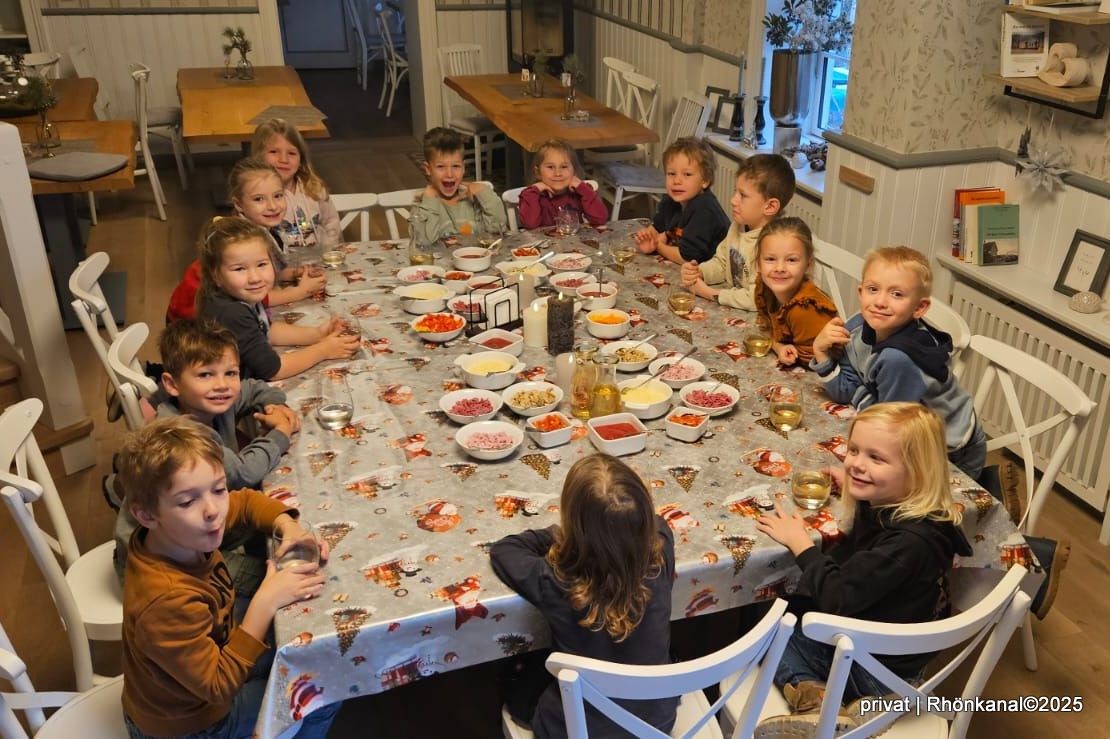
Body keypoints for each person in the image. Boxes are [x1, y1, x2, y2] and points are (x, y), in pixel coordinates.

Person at [755, 403, 973, 736]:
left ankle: (818, 704)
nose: (856, 463)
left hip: (875, 667)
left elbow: (837, 597)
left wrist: (801, 544)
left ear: (916, 473)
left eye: (876, 458)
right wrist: (863, 484)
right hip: (903, 656)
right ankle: (868, 703)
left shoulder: (905, 545)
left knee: (770, 631)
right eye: (854, 450)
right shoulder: (926, 515)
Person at [117, 416, 339, 739]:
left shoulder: (180, 533)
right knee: (326, 684)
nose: (213, 510)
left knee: (302, 645)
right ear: (147, 515)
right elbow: (218, 686)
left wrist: (289, 527)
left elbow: (245, 502)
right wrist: (265, 601)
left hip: (201, 673)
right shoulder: (165, 599)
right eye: (187, 501)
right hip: (193, 724)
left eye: (219, 489)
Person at [490, 454, 677, 739]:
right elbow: (658, 522)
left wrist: (563, 537)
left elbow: (505, 550)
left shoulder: (555, 579)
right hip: (655, 725)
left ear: (573, 523)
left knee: (515, 678)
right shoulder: (661, 555)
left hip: (571, 730)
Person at [112, 319, 301, 593]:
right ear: (172, 384)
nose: (222, 384)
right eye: (205, 375)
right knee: (274, 574)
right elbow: (245, 472)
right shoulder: (184, 435)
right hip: (168, 566)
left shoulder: (210, 400)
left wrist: (274, 405)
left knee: (272, 531)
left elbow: (252, 387)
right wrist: (280, 432)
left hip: (192, 528)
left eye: (230, 372)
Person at [810, 246, 987, 478]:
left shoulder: (899, 360)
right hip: (899, 428)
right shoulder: (859, 325)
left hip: (950, 449)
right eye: (873, 289)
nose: (880, 302)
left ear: (919, 308)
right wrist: (820, 351)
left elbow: (890, 432)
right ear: (861, 292)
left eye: (897, 294)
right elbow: (845, 390)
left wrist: (863, 396)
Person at [195, 216, 359, 381]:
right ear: (216, 275)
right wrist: (324, 350)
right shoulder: (232, 313)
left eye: (261, 264)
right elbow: (273, 370)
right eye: (239, 269)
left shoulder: (242, 294)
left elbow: (267, 331)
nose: (255, 278)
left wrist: (317, 334)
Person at [165, 159, 326, 322]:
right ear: (239, 204)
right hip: (194, 323)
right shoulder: (243, 240)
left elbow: (260, 268)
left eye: (278, 196)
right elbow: (256, 295)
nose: (272, 206)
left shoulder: (260, 228)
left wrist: (295, 272)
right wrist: (300, 292)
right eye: (259, 199)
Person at [681, 153, 795, 309]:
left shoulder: (776, 246)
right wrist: (699, 272)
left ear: (770, 207)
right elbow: (723, 263)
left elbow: (757, 299)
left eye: (743, 195)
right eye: (735, 192)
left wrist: (710, 293)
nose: (733, 200)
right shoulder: (739, 225)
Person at [753, 217, 839, 366]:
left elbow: (818, 363)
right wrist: (778, 347)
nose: (779, 268)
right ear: (758, 263)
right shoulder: (764, 289)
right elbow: (766, 327)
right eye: (770, 259)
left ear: (808, 265)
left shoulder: (804, 309)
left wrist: (779, 347)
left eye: (791, 260)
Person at [633, 136, 729, 265]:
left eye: (687, 174)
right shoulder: (671, 200)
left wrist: (657, 245)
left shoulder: (705, 210)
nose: (677, 181)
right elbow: (657, 228)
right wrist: (647, 238)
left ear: (705, 180)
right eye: (671, 173)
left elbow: (687, 258)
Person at [252, 118, 342, 248]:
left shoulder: (315, 189)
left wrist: (328, 251)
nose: (284, 159)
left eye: (291, 153)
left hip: (320, 258)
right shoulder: (256, 197)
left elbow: (331, 223)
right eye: (274, 152)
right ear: (258, 156)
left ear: (301, 159)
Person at [411, 127, 508, 243]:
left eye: (456, 166)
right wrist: (430, 200)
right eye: (440, 167)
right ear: (428, 169)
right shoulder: (422, 205)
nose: (449, 174)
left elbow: (497, 230)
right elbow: (424, 243)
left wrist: (483, 191)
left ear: (463, 168)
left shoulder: (473, 199)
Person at [517, 138, 608, 229]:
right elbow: (530, 225)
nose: (557, 173)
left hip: (574, 238)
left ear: (574, 171)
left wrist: (583, 188)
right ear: (538, 172)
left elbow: (600, 219)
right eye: (550, 167)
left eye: (564, 167)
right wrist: (534, 190)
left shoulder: (580, 191)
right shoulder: (533, 196)